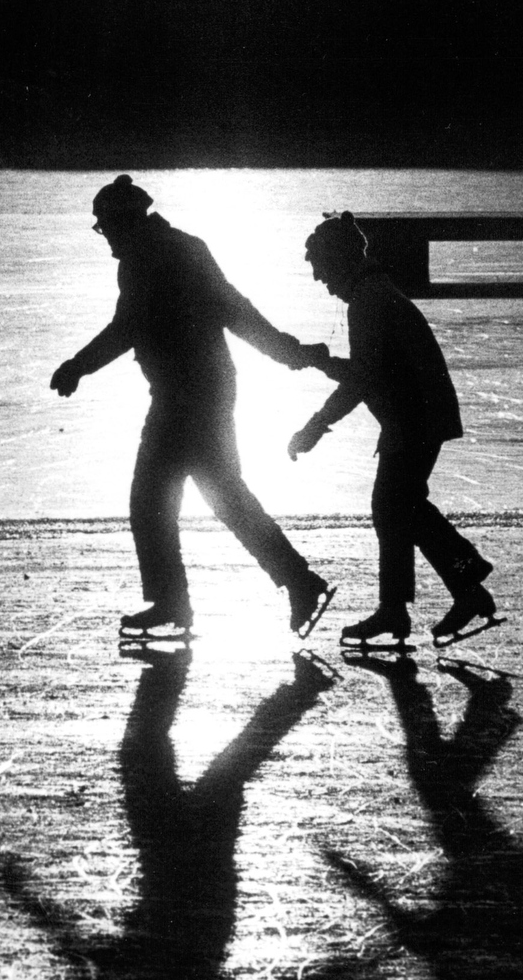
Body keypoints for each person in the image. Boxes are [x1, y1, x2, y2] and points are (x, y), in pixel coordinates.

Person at [51, 175, 336, 639]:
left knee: (152, 501)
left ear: (124, 222)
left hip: (185, 396)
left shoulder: (148, 258)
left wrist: (78, 366)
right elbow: (235, 308)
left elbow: (128, 327)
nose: (105, 238)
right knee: (224, 496)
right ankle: (297, 582)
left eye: (106, 227)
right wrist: (286, 351)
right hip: (205, 389)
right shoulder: (182, 247)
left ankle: (176, 603)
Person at [287, 211, 497, 647]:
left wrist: (315, 412)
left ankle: (407, 606)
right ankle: (462, 584)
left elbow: (363, 380)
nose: (319, 281)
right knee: (402, 508)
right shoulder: (371, 293)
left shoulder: (368, 301)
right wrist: (324, 374)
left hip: (415, 417)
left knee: (391, 507)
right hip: (419, 414)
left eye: (320, 269)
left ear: (340, 261)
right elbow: (369, 376)